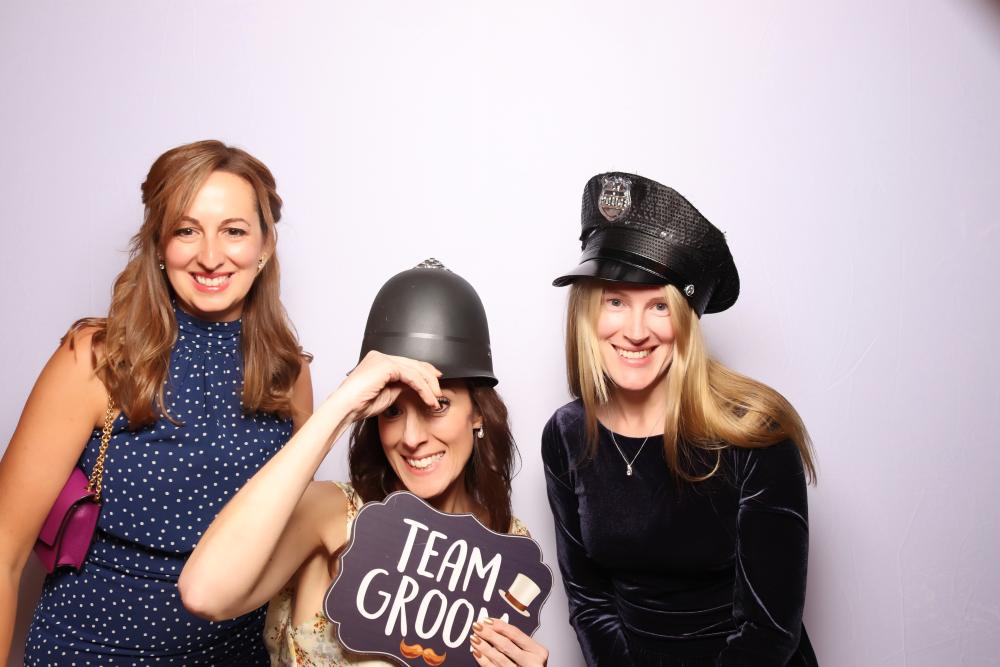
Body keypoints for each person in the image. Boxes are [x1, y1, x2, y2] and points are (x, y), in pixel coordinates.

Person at [0, 140, 312, 666]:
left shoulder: (290, 375)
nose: (210, 256)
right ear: (159, 244)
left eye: (234, 231)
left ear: (265, 244)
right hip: (90, 654)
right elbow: (5, 550)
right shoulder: (96, 358)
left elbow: (291, 542)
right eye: (187, 230)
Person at [179, 260, 549, 667]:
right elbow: (204, 593)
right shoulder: (332, 512)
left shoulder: (507, 545)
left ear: (477, 413)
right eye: (392, 411)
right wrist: (342, 405)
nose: (411, 437)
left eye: (437, 405)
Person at [543, 173, 819, 666]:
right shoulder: (566, 435)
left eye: (658, 305)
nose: (635, 331)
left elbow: (769, 631)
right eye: (615, 301)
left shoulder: (755, 433)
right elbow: (590, 603)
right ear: (587, 312)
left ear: (687, 320)